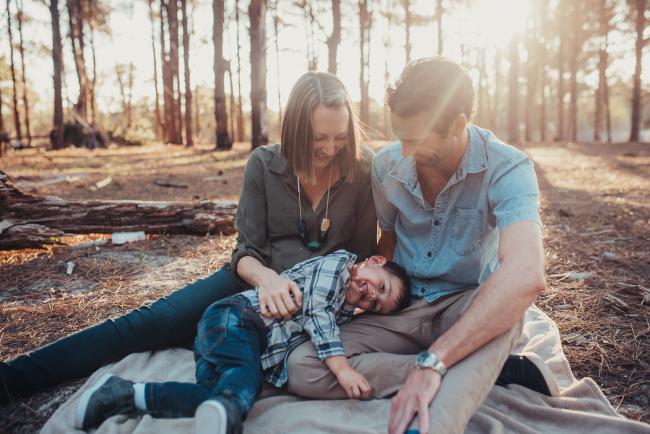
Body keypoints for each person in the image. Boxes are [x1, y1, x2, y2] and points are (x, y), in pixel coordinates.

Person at [0, 72, 378, 404]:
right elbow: (245, 252)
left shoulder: (362, 170)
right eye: (318, 138)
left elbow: (363, 255)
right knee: (149, 323)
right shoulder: (264, 165)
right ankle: (11, 379)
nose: (330, 149)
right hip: (251, 280)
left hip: (320, 299)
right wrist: (268, 279)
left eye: (340, 138)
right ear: (295, 129)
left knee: (201, 341)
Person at [285, 57, 559, 434]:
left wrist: (433, 362)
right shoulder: (387, 165)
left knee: (507, 310)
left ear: (459, 124)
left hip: (465, 305)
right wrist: (371, 302)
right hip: (402, 306)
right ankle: (476, 371)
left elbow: (526, 274)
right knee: (302, 364)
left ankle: (429, 420)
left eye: (417, 140)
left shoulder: (508, 168)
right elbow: (390, 240)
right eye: (401, 137)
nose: (406, 152)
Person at [75, 250, 411, 433]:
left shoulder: (344, 309)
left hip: (228, 338)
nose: (370, 295)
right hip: (237, 319)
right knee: (243, 385)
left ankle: (121, 394)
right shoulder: (337, 266)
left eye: (375, 304)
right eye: (379, 286)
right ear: (375, 261)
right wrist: (341, 369)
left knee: (217, 396)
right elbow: (316, 311)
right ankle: (227, 417)